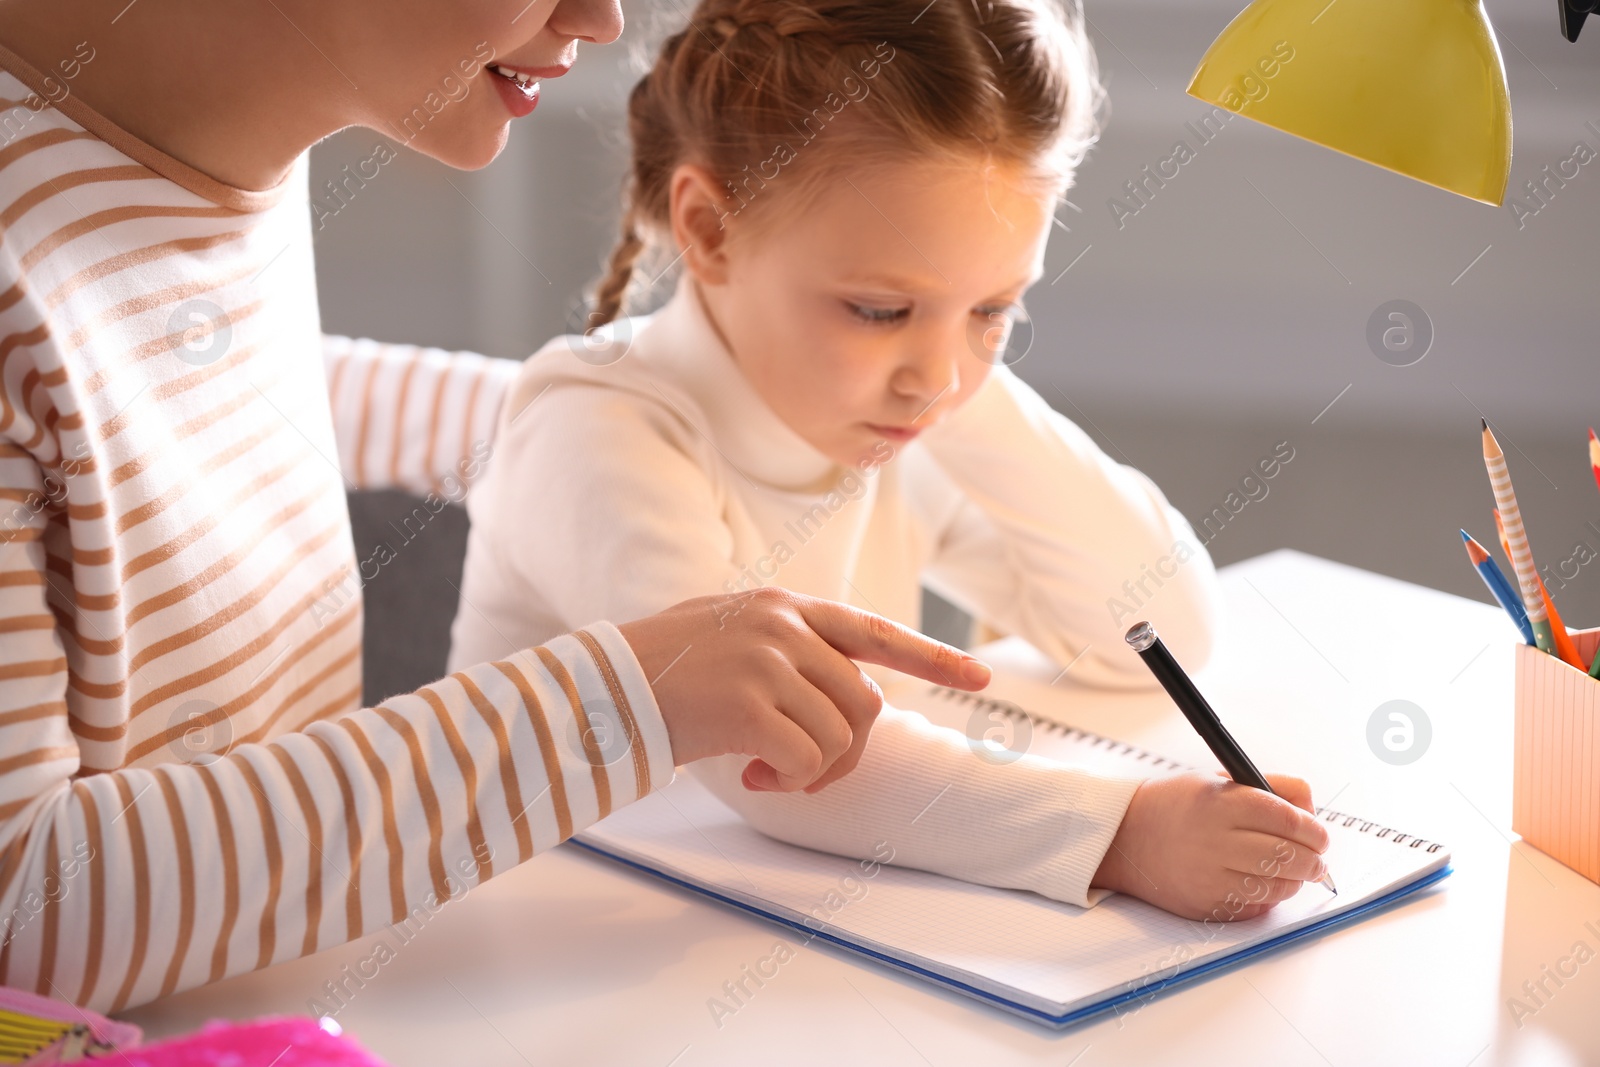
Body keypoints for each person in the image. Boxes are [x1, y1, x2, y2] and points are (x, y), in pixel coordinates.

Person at [0, 0, 991, 1013]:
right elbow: (20, 917)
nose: (599, 18)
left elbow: (168, 388)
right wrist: (625, 699)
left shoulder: (183, 137)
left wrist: (587, 420)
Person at [450, 0, 1332, 922]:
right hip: (530, 947)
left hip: (774, 934)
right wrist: (1123, 832)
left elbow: (1158, 629)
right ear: (711, 232)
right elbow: (769, 748)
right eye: (880, 310)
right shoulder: (591, 427)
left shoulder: (888, 414)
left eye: (995, 311)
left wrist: (965, 391)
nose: (938, 374)